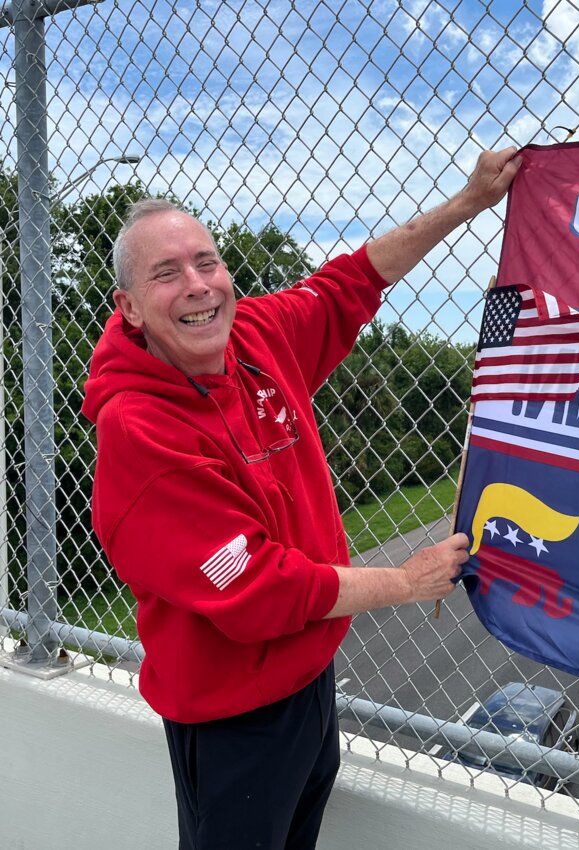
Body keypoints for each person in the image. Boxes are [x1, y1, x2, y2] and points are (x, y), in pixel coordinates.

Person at [81, 147, 522, 850]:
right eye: (167, 273)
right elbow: (256, 587)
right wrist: (406, 581)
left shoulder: (254, 335)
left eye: (207, 261)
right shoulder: (140, 430)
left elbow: (352, 280)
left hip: (308, 685)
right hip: (232, 720)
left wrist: (467, 203)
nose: (197, 285)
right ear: (129, 308)